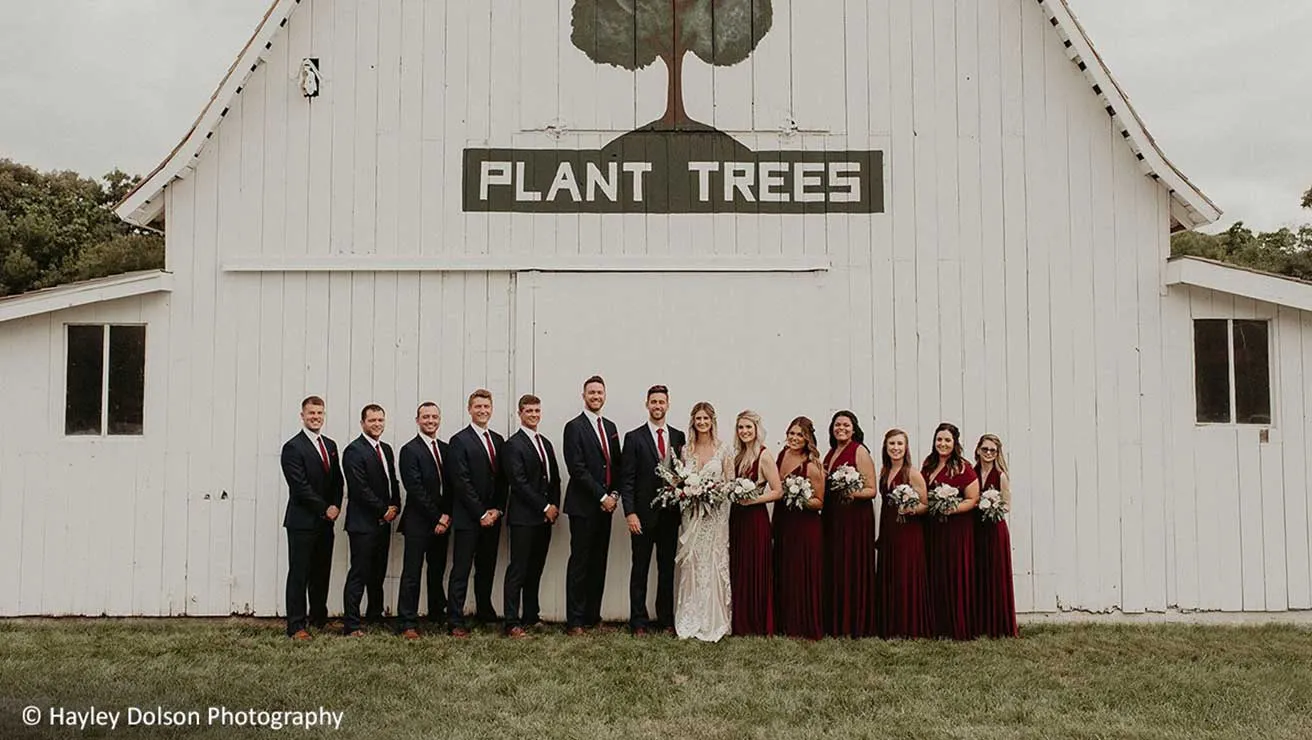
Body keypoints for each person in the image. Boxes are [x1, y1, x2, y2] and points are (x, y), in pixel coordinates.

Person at [619, 384, 686, 635]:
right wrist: (630, 512)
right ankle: (638, 621)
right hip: (642, 517)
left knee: (666, 569)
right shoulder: (634, 437)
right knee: (640, 569)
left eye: (662, 402)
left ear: (668, 404)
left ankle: (665, 619)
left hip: (670, 516)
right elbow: (627, 479)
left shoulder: (679, 436)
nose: (658, 406)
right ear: (647, 404)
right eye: (653, 402)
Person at [279, 395, 343, 640]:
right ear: (302, 416)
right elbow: (299, 485)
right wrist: (323, 507)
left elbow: (338, 480)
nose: (316, 417)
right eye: (311, 413)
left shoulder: (330, 445)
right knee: (299, 572)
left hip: (326, 521)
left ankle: (319, 618)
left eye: (319, 413)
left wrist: (336, 505)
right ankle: (296, 625)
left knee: (321, 571)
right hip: (302, 521)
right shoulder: (293, 447)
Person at [562, 375, 622, 635]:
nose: (596, 397)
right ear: (583, 395)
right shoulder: (573, 427)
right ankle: (575, 621)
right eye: (592, 393)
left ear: (605, 395)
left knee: (599, 562)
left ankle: (592, 617)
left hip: (606, 507)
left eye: (600, 393)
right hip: (584, 506)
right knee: (580, 563)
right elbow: (577, 468)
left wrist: (615, 495)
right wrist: (602, 496)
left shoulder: (609, 426)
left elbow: (617, 464)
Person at [446, 389, 508, 636]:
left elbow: (503, 479)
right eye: (478, 406)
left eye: (486, 406)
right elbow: (460, 481)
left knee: (487, 566)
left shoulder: (498, 439)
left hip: (492, 518)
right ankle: (455, 619)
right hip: (468, 518)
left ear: (491, 409)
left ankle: (484, 611)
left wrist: (497, 510)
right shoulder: (459, 441)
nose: (483, 410)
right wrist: (480, 512)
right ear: (469, 409)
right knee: (461, 569)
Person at [502, 394, 562, 638]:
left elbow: (555, 478)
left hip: (544, 519)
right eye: (529, 411)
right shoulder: (513, 445)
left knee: (535, 568)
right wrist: (544, 506)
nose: (534, 415)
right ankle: (511, 621)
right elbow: (519, 482)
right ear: (520, 414)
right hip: (523, 518)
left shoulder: (545, 443)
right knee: (518, 569)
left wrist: (554, 506)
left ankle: (530, 615)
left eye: (537, 411)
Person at [673, 402, 734, 642]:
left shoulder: (723, 449)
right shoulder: (686, 450)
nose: (702, 423)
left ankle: (713, 618)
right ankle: (691, 616)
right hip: (692, 515)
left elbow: (730, 481)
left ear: (712, 421)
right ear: (693, 422)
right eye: (698, 419)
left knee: (712, 561)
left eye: (705, 419)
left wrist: (713, 492)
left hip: (715, 516)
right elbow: (679, 481)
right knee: (693, 562)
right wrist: (690, 492)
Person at [341, 404, 401, 636]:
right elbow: (359, 488)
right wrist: (382, 510)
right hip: (363, 524)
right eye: (372, 420)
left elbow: (392, 481)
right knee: (359, 573)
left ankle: (375, 617)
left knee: (378, 574)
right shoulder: (354, 450)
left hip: (383, 523)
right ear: (362, 423)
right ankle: (352, 624)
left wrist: (395, 506)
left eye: (380, 420)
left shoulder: (385, 449)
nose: (377, 424)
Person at [396, 402, 453, 639]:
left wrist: (446, 515)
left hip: (443, 521)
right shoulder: (410, 450)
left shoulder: (446, 448)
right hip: (419, 521)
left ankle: (437, 614)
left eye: (434, 416)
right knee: (412, 572)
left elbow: (452, 485)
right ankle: (407, 622)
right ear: (417, 420)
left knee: (437, 570)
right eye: (426, 417)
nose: (430, 420)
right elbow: (415, 488)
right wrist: (436, 516)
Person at [821, 410, 880, 638]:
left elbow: (871, 490)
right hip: (834, 517)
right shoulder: (831, 452)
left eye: (846, 425)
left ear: (854, 428)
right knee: (836, 565)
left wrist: (849, 491)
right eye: (837, 425)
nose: (841, 429)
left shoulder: (860, 451)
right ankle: (836, 620)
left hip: (854, 519)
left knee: (850, 565)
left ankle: (855, 622)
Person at [922, 422, 980, 640]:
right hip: (934, 529)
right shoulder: (929, 465)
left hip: (957, 530)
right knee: (936, 573)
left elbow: (973, 500)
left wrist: (951, 507)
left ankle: (958, 626)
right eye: (939, 439)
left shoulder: (963, 467)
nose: (942, 444)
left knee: (955, 574)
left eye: (947, 440)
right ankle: (937, 625)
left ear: (955, 443)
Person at [728, 410, 782, 636]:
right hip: (737, 517)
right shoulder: (737, 455)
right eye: (741, 427)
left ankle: (758, 622)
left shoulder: (764, 455)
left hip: (755, 518)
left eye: (748, 427)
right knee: (739, 567)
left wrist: (753, 500)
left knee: (755, 568)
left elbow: (778, 491)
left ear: (757, 429)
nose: (744, 431)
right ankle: (740, 622)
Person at [875, 428, 932, 639]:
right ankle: (890, 625)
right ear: (886, 447)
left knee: (904, 575)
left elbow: (925, 505)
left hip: (908, 530)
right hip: (889, 527)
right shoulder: (884, 471)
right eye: (892, 444)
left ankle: (909, 626)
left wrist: (910, 509)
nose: (895, 448)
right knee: (890, 574)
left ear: (906, 447)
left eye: (899, 444)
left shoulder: (912, 473)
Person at [773, 416, 826, 640]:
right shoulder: (781, 455)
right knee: (784, 569)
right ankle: (784, 622)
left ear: (808, 439)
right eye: (791, 433)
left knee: (802, 573)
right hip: (783, 521)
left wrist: (798, 496)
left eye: (800, 435)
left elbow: (819, 502)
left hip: (805, 526)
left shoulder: (813, 466)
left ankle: (803, 625)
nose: (794, 438)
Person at [973, 434, 1018, 638]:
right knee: (978, 573)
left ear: (997, 453)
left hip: (995, 529)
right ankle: (980, 622)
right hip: (976, 529)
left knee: (995, 574)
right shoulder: (972, 473)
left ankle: (998, 624)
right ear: (978, 450)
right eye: (985, 449)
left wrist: (992, 505)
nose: (988, 453)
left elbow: (1007, 505)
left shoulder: (1000, 476)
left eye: (992, 450)